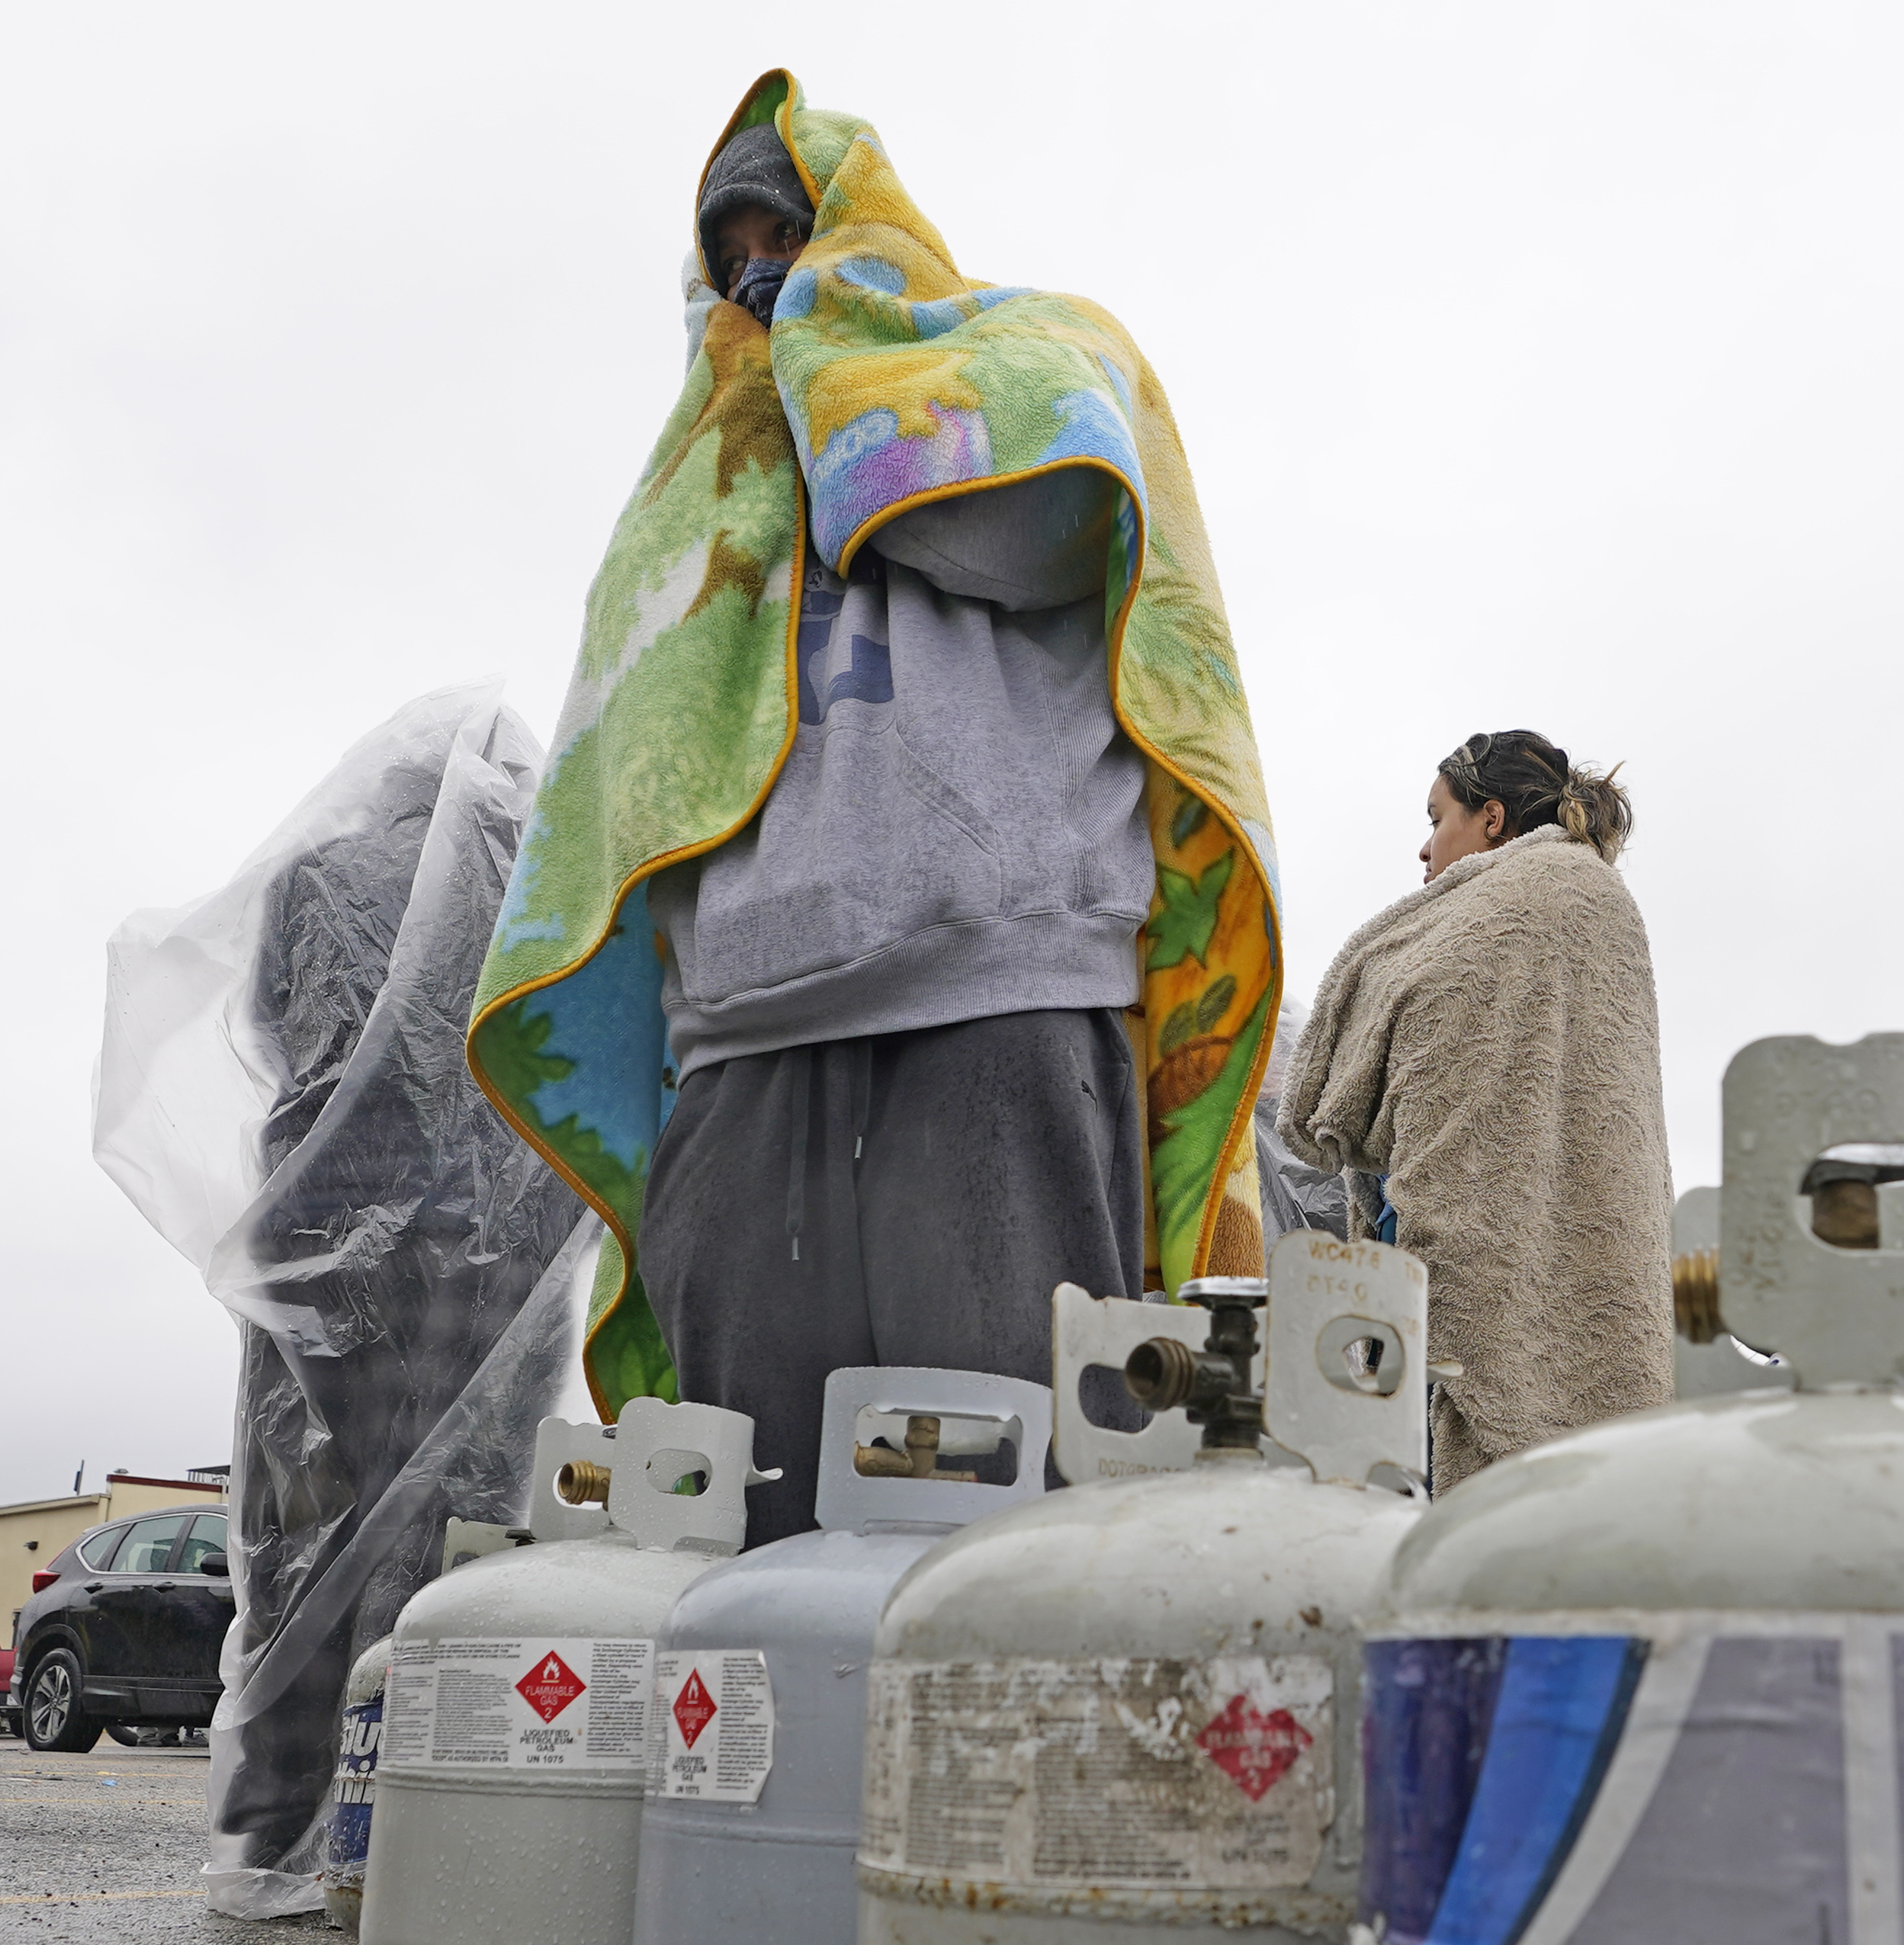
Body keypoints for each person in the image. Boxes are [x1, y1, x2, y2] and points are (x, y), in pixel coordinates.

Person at [467, 72, 1282, 1542]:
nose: (761, 267)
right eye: (732, 250)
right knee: (737, 1532)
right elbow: (637, 751)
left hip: (1000, 988)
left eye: (790, 223)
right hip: (746, 1034)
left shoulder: (1033, 350)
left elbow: (1038, 524)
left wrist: (836, 375)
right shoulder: (697, 474)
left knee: (991, 1512)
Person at [1276, 730, 1673, 1492]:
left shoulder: (1510, 909)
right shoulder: (1594, 904)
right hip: (1542, 1293)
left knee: (1456, 1561)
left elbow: (1338, 1094)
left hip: (1455, 1306)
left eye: (1435, 819)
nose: (1423, 853)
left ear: (1490, 818)